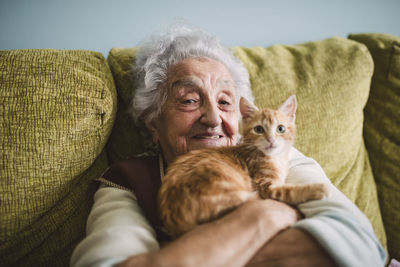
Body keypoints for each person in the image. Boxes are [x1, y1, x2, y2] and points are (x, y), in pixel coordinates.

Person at [70, 25, 386, 267]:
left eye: (225, 102)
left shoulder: (277, 153)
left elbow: (361, 247)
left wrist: (191, 252)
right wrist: (266, 216)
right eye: (190, 100)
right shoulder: (124, 181)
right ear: (153, 123)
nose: (212, 118)